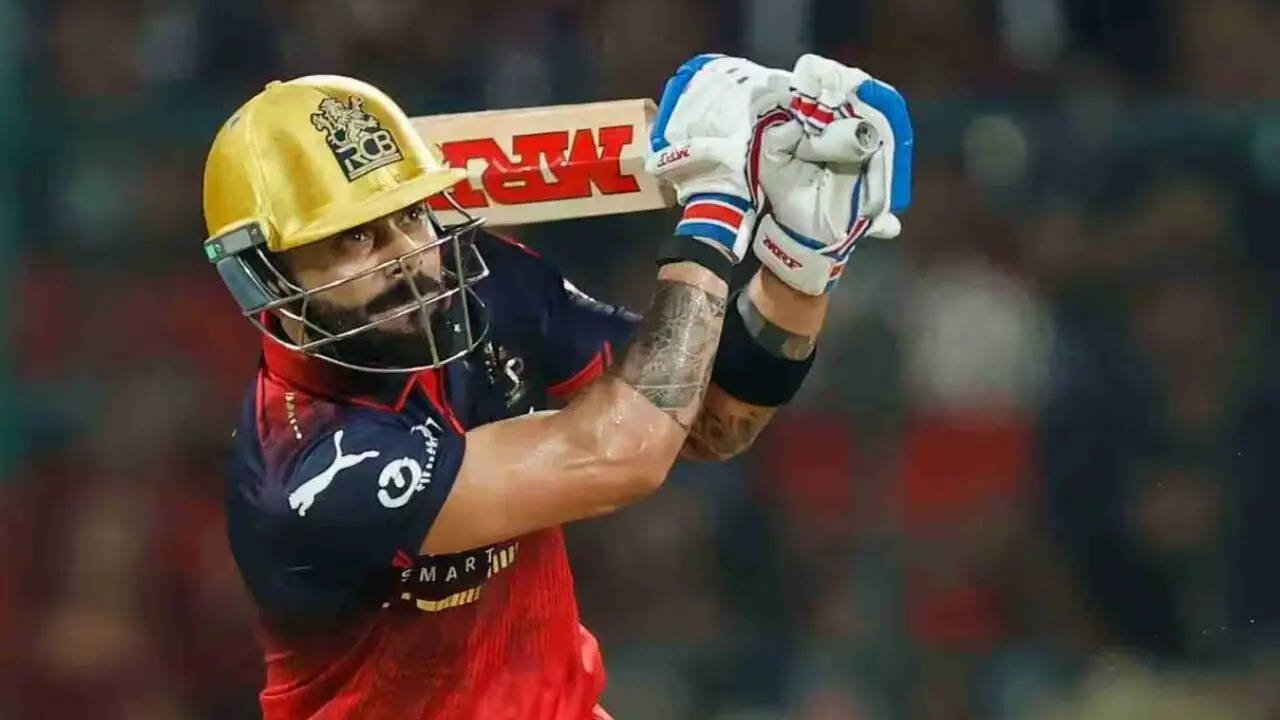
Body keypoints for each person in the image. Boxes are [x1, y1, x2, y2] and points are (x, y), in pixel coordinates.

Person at [202, 53, 911, 719]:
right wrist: (716, 209)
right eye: (355, 238)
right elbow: (623, 455)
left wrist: (799, 261)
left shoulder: (477, 284)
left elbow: (707, 415)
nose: (409, 258)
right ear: (266, 277)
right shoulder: (307, 470)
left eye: (411, 215)